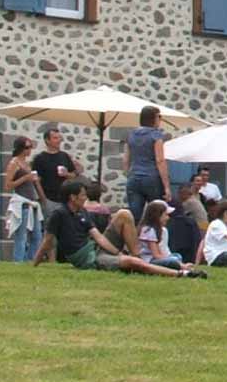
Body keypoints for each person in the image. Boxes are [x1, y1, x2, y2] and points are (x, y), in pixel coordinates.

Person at [32, 182, 195, 277]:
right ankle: (180, 274)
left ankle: (138, 257)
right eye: (82, 195)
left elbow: (98, 237)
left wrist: (117, 253)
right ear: (72, 198)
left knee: (124, 214)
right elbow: (48, 240)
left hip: (96, 249)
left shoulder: (82, 212)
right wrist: (35, 264)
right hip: (88, 259)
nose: (85, 198)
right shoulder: (59, 214)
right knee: (132, 263)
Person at [3, 136, 46, 264]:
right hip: (22, 202)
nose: (29, 150)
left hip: (32, 202)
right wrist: (25, 178)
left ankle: (30, 260)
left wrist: (41, 195)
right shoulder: (14, 163)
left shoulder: (27, 164)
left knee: (37, 235)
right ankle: (18, 261)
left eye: (30, 147)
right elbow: (8, 185)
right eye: (27, 147)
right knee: (21, 236)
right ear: (20, 148)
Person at [123, 106, 171, 218]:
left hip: (134, 177)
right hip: (152, 178)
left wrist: (128, 174)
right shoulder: (156, 135)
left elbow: (126, 159)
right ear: (154, 118)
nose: (160, 119)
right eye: (159, 116)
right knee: (156, 214)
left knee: (135, 215)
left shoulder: (131, 134)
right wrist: (167, 186)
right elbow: (160, 160)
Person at [29, 126, 81, 218]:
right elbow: (36, 181)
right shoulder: (40, 158)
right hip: (49, 199)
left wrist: (66, 174)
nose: (59, 140)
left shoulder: (64, 156)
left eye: (59, 138)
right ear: (47, 140)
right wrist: (44, 200)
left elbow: (74, 175)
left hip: (65, 200)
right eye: (55, 138)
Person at [136, 200, 196, 272]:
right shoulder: (149, 230)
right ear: (157, 216)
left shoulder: (159, 230)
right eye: (165, 215)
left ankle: (178, 265)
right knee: (172, 261)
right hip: (149, 260)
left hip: (156, 258)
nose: (168, 218)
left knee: (177, 256)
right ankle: (183, 267)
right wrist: (170, 259)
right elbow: (156, 255)